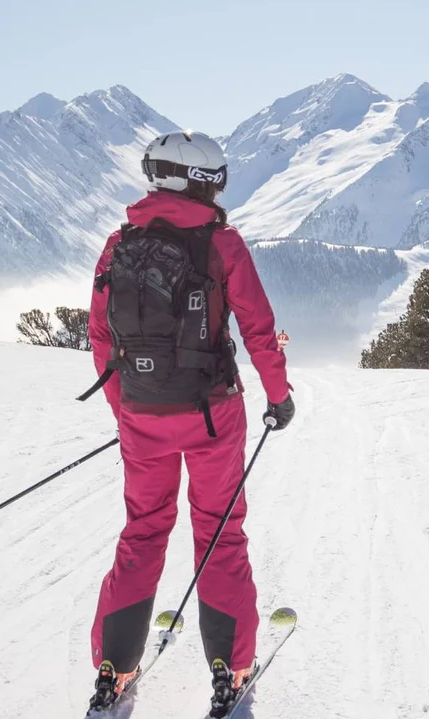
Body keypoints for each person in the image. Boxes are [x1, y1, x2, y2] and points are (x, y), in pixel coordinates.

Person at [84, 131, 296, 714]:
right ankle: (231, 668)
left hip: (142, 415)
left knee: (143, 534)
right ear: (200, 181)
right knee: (220, 534)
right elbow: (257, 326)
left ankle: (113, 668)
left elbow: (101, 337)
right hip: (211, 416)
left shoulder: (117, 243)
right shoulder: (222, 243)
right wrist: (278, 397)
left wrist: (126, 410)